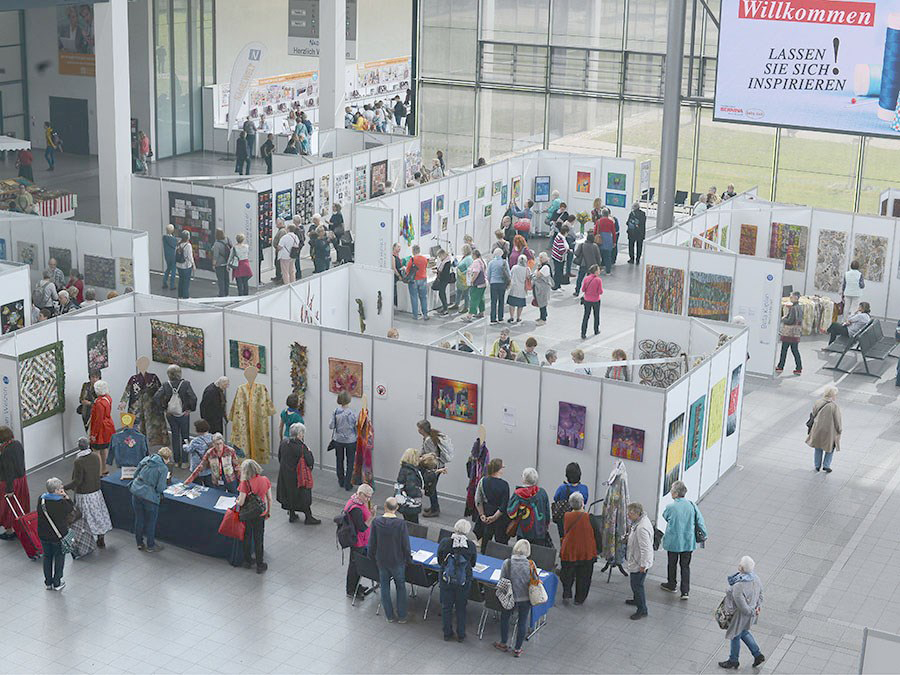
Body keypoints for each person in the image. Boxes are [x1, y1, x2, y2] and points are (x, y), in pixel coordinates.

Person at [661, 480, 707, 599]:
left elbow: (665, 516)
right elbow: (700, 522)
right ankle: (685, 592)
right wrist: (704, 535)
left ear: (676, 493)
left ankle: (671, 584)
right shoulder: (692, 505)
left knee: (672, 564)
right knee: (685, 566)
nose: (671, 492)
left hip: (674, 542)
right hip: (688, 541)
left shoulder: (670, 507)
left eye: (672, 490)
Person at [368, 497, 412, 623]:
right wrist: (408, 559)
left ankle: (389, 615)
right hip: (397, 561)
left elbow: (372, 542)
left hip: (382, 560)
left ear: (385, 506)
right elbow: (405, 545)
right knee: (400, 587)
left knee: (385, 587)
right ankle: (402, 615)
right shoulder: (400, 524)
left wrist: (371, 557)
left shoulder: (376, 522)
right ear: (397, 508)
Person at [64, 437, 112, 551]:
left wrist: (64, 487)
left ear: (79, 447)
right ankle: (101, 538)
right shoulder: (95, 457)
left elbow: (78, 481)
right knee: (98, 515)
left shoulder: (79, 461)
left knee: (84, 518)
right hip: (96, 492)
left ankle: (86, 540)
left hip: (84, 494)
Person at [718, 556, 765, 669]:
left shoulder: (739, 585)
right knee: (743, 632)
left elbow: (741, 605)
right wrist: (757, 608)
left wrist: (751, 611)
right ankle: (757, 654)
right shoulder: (756, 578)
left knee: (735, 635)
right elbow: (761, 595)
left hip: (740, 616)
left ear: (742, 568)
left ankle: (733, 660)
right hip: (751, 613)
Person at [437, 518, 478, 641]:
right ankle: (461, 634)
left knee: (446, 607)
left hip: (446, 579)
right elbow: (473, 563)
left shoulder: (445, 542)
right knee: (461, 608)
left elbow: (440, 560)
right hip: (463, 581)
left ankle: (447, 633)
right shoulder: (470, 545)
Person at [493, 538, 533, 657]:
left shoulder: (508, 563)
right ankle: (517, 648)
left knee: (505, 618)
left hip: (510, 597)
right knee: (522, 622)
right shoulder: (531, 565)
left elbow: (502, 581)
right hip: (525, 598)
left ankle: (503, 642)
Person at [129, 447, 173, 553]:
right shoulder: (163, 468)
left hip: (136, 492)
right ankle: (150, 545)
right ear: (167, 458)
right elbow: (160, 488)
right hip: (150, 497)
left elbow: (135, 474)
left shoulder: (146, 459)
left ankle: (139, 543)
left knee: (139, 519)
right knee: (151, 522)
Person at [153, 364, 197, 469]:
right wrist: (190, 409)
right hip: (183, 414)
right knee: (185, 437)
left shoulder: (165, 385)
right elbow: (193, 398)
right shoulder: (185, 384)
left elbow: (156, 397)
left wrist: (164, 408)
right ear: (179, 373)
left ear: (169, 374)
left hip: (171, 414)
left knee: (175, 436)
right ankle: (185, 461)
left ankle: (176, 461)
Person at [276, 422, 320, 524]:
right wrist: (309, 451)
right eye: (302, 433)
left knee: (289, 495)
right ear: (299, 434)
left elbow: (280, 457)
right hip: (299, 477)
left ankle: (292, 515)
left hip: (285, 475)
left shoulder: (283, 443)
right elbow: (310, 462)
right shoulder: (301, 447)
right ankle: (308, 518)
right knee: (303, 497)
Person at [559, 492, 597, 605]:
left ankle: (567, 593)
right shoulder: (590, 518)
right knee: (584, 577)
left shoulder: (565, 516)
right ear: (583, 504)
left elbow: (563, 533)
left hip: (569, 551)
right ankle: (579, 599)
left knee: (567, 573)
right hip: (586, 552)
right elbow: (597, 534)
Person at [37, 478, 75, 589]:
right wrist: (66, 497)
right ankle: (57, 582)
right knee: (59, 557)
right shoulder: (61, 502)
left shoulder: (41, 499)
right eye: (61, 488)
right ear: (57, 490)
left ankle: (48, 583)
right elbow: (70, 508)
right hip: (58, 535)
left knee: (47, 557)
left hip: (44, 534)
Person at [236, 459, 273, 573]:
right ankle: (260, 564)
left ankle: (247, 561)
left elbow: (241, 502)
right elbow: (269, 498)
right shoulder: (264, 480)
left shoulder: (245, 483)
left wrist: (237, 501)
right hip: (260, 513)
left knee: (247, 536)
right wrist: (268, 512)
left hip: (248, 514)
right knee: (259, 538)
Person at [344, 483, 376, 597]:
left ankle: (356, 585)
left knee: (356, 565)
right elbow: (362, 527)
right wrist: (372, 517)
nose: (368, 499)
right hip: (358, 541)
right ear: (360, 493)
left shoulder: (356, 502)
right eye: (366, 496)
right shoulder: (355, 509)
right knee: (355, 565)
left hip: (361, 540)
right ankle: (351, 590)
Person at [417, 420, 453, 517]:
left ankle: (435, 509)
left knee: (431, 488)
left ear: (423, 429)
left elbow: (432, 454)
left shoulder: (428, 440)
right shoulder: (429, 437)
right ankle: (434, 506)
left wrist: (421, 459)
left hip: (434, 466)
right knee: (432, 487)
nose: (418, 430)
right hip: (436, 465)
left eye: (419, 428)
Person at [624, 501, 654, 620]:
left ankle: (642, 609)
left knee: (637, 585)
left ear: (636, 514)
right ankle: (636, 600)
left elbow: (645, 548)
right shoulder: (640, 522)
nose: (628, 516)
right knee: (635, 585)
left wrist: (643, 565)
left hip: (639, 563)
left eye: (630, 514)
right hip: (637, 560)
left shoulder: (641, 528)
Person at [507, 467, 551, 547]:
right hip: (539, 531)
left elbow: (511, 513)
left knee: (522, 552)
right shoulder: (542, 493)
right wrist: (546, 526)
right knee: (537, 555)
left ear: (524, 479)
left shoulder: (518, 494)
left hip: (523, 531)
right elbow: (547, 512)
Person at [474, 458, 510, 552]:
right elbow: (504, 505)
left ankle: (484, 556)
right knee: (501, 541)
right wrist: (494, 517)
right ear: (499, 469)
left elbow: (478, 500)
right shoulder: (504, 485)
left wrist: (482, 514)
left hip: (486, 512)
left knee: (485, 539)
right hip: (500, 518)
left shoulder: (483, 481)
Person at [0, 426, 28, 541]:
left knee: (7, 507)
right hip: (21, 479)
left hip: (10, 482)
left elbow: (8, 471)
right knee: (20, 503)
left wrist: (9, 489)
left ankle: (9, 530)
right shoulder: (17, 444)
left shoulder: (6, 451)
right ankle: (21, 526)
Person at [806, 385, 841, 473]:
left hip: (817, 429)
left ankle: (817, 465)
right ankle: (826, 465)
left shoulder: (818, 402)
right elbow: (838, 421)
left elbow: (813, 413)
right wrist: (839, 430)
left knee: (818, 447)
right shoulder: (834, 406)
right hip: (829, 432)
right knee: (830, 448)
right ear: (832, 395)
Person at [329, 392, 358, 491]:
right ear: (349, 400)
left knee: (339, 460)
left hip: (338, 440)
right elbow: (356, 427)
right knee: (350, 462)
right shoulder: (353, 413)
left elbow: (331, 426)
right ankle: (348, 483)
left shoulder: (336, 411)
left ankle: (340, 481)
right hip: (351, 440)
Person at [553, 462, 590, 539]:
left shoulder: (562, 488)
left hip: (563, 519)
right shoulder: (584, 488)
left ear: (567, 475)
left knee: (564, 538)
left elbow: (555, 498)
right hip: (579, 519)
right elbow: (585, 501)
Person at [89, 380, 115, 473]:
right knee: (104, 448)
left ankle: (99, 472)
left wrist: (93, 434)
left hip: (101, 429)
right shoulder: (108, 398)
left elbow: (98, 420)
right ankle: (104, 469)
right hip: (108, 426)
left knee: (96, 450)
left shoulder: (99, 403)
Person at [777, 291, 803, 375]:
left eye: (791, 296)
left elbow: (790, 321)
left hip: (789, 333)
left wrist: (783, 319)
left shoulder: (793, 308)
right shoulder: (799, 307)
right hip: (796, 333)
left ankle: (780, 366)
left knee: (784, 350)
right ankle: (799, 368)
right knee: (795, 350)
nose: (790, 298)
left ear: (796, 297)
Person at [396, 448, 424, 523]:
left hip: (404, 502)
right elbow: (411, 489)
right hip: (411, 504)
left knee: (407, 521)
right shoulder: (411, 472)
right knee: (413, 523)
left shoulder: (404, 468)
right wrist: (420, 492)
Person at [405, 244, 429, 320]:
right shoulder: (425, 259)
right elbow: (425, 267)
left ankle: (415, 315)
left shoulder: (412, 260)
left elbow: (407, 270)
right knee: (423, 297)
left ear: (413, 251)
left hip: (414, 280)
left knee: (414, 297)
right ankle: (425, 314)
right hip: (423, 279)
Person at [185, 420, 213, 487]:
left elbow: (189, 449)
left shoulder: (195, 441)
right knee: (210, 486)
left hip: (197, 467)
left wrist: (185, 445)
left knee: (197, 487)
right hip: (209, 466)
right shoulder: (212, 437)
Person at [487, 249, 511, 324]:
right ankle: (500, 317)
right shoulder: (504, 262)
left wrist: (491, 281)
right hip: (502, 283)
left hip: (493, 283)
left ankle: (493, 318)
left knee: (493, 301)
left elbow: (488, 274)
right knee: (501, 300)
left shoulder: (491, 263)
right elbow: (508, 273)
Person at [506, 256, 531, 324]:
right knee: (520, 305)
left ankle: (511, 317)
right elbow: (529, 277)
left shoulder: (515, 267)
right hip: (522, 289)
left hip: (514, 288)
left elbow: (510, 275)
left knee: (512, 304)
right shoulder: (527, 269)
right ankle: (518, 317)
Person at [580, 265, 603, 339]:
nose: (599, 271)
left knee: (586, 316)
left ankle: (583, 333)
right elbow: (600, 291)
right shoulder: (598, 280)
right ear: (596, 271)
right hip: (596, 300)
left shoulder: (586, 278)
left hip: (587, 300)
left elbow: (583, 289)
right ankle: (596, 330)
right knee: (596, 316)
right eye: (599, 270)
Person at [594, 208, 617, 274]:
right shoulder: (611, 222)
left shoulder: (599, 221)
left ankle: (597, 270)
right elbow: (613, 233)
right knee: (608, 256)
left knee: (599, 256)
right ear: (608, 214)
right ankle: (608, 271)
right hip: (608, 240)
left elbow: (595, 231)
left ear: (602, 214)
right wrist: (614, 242)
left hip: (600, 239)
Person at [209, 229, 231, 297]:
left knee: (221, 280)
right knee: (226, 279)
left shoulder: (217, 244)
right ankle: (227, 293)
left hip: (219, 264)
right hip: (227, 263)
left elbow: (215, 255)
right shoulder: (227, 239)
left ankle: (222, 294)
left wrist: (213, 264)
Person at [533, 252, 552, 325]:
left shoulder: (545, 267)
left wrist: (537, 269)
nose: (540, 259)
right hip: (539, 287)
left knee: (542, 303)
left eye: (541, 257)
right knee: (540, 302)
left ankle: (543, 319)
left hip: (543, 288)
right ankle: (542, 316)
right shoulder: (542, 266)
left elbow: (537, 275)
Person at [433, 249, 453, 315]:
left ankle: (445, 308)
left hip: (444, 279)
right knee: (442, 293)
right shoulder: (445, 261)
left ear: (442, 255)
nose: (439, 258)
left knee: (441, 293)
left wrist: (438, 272)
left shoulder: (447, 262)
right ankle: (445, 308)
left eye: (439, 256)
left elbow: (445, 272)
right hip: (444, 279)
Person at [175, 231, 194, 299]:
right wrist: (193, 264)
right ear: (187, 237)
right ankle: (185, 296)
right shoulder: (188, 245)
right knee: (186, 282)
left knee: (181, 280)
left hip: (179, 265)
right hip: (186, 265)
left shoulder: (178, 244)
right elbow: (190, 256)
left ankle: (180, 295)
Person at [550, 225, 570, 289]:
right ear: (565, 232)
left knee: (559, 271)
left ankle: (558, 284)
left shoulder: (559, 237)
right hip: (558, 258)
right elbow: (561, 250)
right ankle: (556, 285)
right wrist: (568, 251)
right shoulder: (560, 239)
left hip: (558, 257)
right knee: (558, 272)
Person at [162, 224, 178, 290]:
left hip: (166, 255)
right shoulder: (174, 239)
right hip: (172, 255)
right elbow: (175, 245)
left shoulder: (164, 238)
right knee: (173, 270)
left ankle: (164, 282)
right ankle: (172, 285)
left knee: (168, 268)